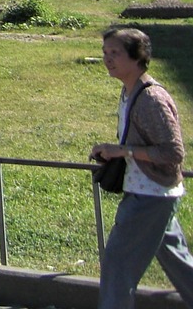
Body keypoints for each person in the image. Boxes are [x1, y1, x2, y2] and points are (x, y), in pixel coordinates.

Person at [91, 27, 193, 309]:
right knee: (180, 264)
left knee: (117, 265)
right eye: (105, 53)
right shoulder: (129, 92)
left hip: (150, 195)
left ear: (138, 57)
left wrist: (123, 151)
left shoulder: (151, 99)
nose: (107, 59)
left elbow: (173, 152)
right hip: (152, 191)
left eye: (115, 53)